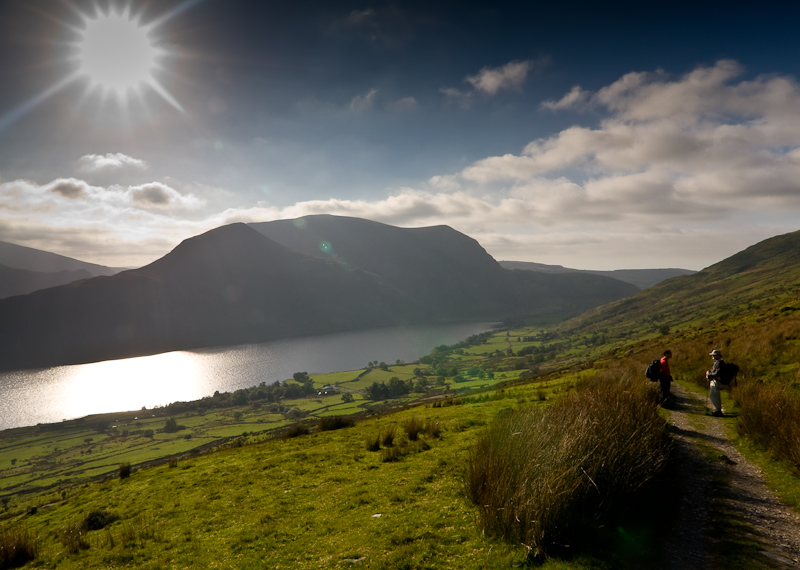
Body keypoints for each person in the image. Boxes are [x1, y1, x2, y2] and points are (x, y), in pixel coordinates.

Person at [706, 349, 725, 416]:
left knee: (713, 395)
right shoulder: (718, 362)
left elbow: (717, 373)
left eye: (714, 355)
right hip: (716, 380)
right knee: (715, 395)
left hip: (716, 381)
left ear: (718, 356)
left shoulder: (719, 363)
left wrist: (709, 375)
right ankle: (718, 410)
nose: (713, 356)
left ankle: (718, 410)